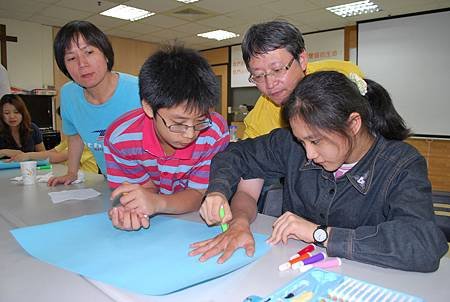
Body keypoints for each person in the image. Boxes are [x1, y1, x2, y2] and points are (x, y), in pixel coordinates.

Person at [192, 71, 448, 272]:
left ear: (353, 123)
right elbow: (235, 154)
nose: (309, 154)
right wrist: (217, 191)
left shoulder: (400, 164)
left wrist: (321, 234)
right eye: (301, 141)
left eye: (315, 141)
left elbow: (422, 244)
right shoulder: (292, 145)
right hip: (291, 274)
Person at [190, 20, 366, 260]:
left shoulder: (340, 77)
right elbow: (248, 189)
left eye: (277, 69)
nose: (270, 84)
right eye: (259, 76)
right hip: (303, 234)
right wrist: (239, 221)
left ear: (302, 60)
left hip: (359, 224)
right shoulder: (261, 119)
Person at [104, 45, 230, 231]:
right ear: (148, 107)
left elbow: (197, 194)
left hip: (195, 223)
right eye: (178, 123)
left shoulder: (213, 132)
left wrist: (157, 203)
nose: (190, 134)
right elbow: (140, 190)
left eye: (199, 121)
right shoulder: (121, 140)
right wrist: (130, 208)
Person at [48, 20, 141, 186]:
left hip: (153, 185)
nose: (82, 64)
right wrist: (71, 172)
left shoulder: (140, 90)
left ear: (106, 54)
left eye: (89, 52)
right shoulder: (69, 94)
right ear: (64, 67)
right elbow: (75, 135)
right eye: (71, 58)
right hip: (112, 183)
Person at [5, 108, 98, 173]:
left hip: (88, 180)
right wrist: (24, 155)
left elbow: (58, 157)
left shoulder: (86, 140)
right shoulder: (70, 139)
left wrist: (28, 155)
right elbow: (51, 152)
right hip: (71, 178)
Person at [0, 94, 45, 158]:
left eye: (16, 112)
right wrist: (4, 152)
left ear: (23, 113)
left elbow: (43, 155)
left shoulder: (32, 128)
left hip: (29, 167)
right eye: (7, 113)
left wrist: (29, 156)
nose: (12, 116)